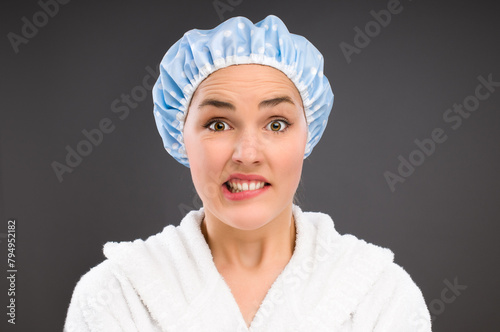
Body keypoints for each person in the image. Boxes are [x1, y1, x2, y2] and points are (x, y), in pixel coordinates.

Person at [64, 15, 432, 331]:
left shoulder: (381, 296)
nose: (247, 154)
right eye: (219, 124)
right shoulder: (115, 296)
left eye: (275, 124)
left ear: (309, 133)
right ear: (180, 136)